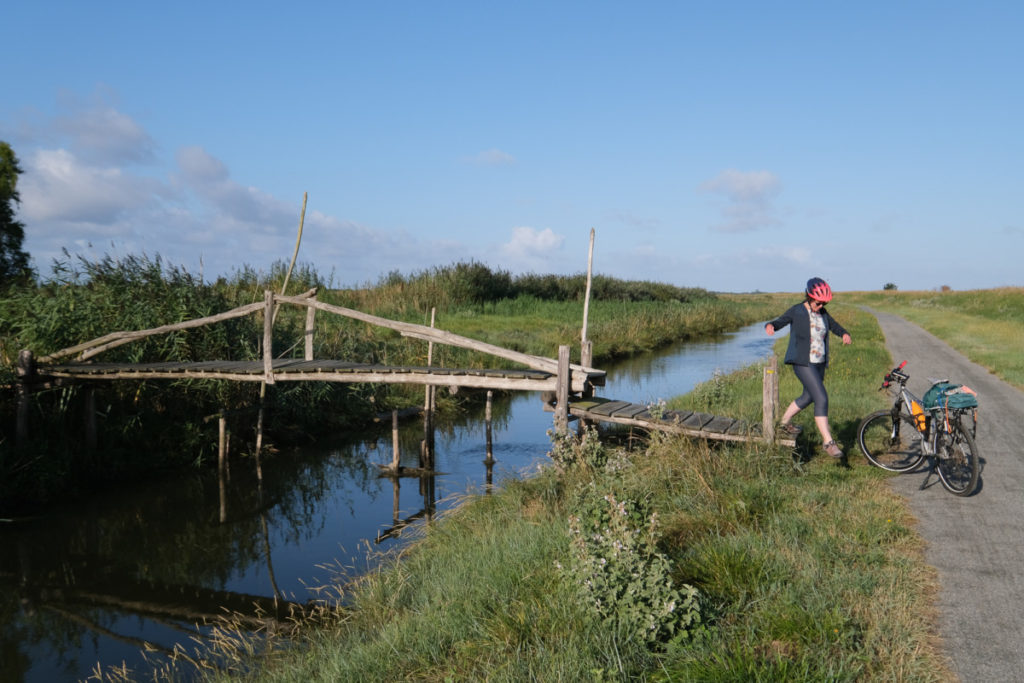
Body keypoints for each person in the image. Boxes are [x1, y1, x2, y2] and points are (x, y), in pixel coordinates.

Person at [765, 277, 852, 457]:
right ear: (809, 297)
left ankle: (782, 423)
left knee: (808, 397)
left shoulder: (823, 313)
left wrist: (844, 333)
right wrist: (771, 325)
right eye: (818, 303)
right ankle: (828, 442)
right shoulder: (797, 311)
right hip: (802, 362)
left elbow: (834, 326)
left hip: (819, 363)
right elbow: (780, 321)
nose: (821, 306)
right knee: (821, 397)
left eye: (823, 303)